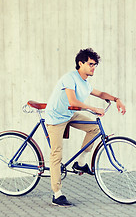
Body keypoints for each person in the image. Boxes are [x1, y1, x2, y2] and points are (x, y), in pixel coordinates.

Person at [44, 48, 126, 207]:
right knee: (56, 154)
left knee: (94, 128)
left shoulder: (85, 83)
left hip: (69, 114)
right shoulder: (69, 78)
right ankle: (57, 194)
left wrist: (117, 99)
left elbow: (101, 94)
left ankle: (80, 163)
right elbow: (73, 101)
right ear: (80, 63)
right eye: (90, 64)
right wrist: (93, 109)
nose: (93, 67)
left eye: (95, 65)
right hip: (56, 117)